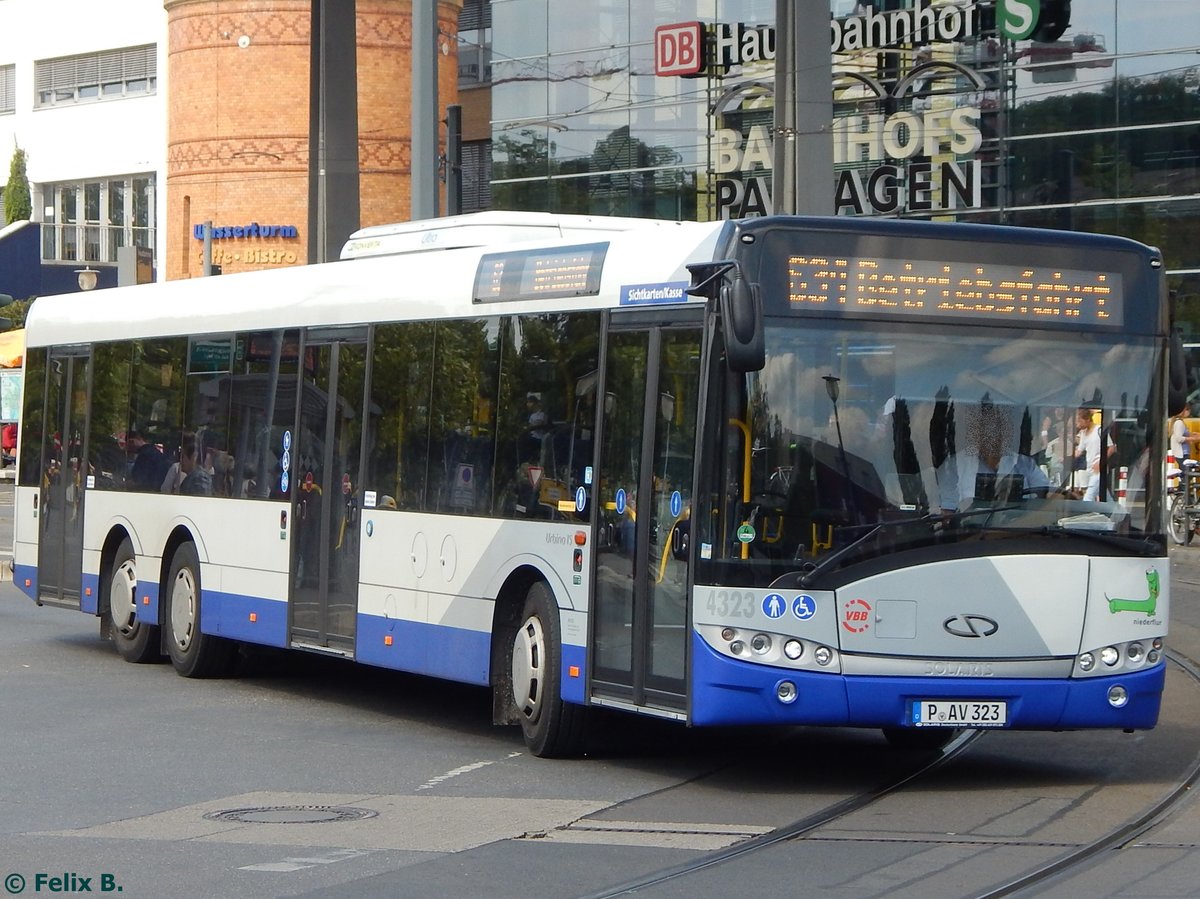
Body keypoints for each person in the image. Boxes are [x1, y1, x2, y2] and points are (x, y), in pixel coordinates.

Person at [937, 397, 1049, 512]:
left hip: (1021, 527)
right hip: (970, 528)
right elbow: (946, 513)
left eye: (997, 428)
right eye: (985, 428)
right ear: (975, 432)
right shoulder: (953, 466)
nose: (991, 435)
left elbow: (1048, 497)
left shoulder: (1025, 464)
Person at [1075, 407, 1102, 501]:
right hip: (1089, 469)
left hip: (1099, 469)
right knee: (1102, 494)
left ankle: (1084, 514)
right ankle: (1116, 511)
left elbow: (1111, 448)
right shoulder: (1083, 433)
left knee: (1088, 497)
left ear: (1087, 419)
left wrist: (1100, 462)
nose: (1078, 424)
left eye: (1079, 421)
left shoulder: (1099, 430)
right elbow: (1079, 450)